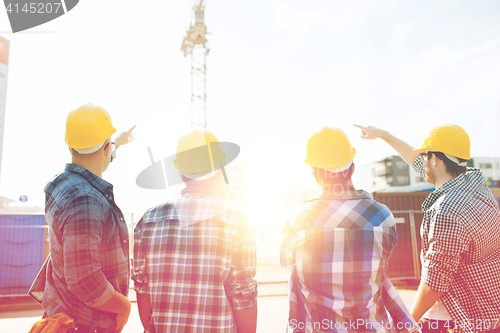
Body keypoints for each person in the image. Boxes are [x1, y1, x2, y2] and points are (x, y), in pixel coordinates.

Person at [354, 124, 500, 333]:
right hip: (490, 312)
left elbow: (435, 282)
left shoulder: (447, 211)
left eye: (424, 155)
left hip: (453, 320)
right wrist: (384, 135)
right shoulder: (476, 185)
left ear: (436, 160)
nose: (421, 161)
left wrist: (408, 322)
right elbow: (417, 163)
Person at [279, 127, 418, 333]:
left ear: (314, 172)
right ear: (352, 167)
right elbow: (381, 267)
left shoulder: (298, 219)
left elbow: (284, 261)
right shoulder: (384, 216)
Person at [132, 127, 258, 333]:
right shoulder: (238, 221)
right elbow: (243, 296)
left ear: (178, 170)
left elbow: (143, 292)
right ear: (221, 166)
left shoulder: (149, 220)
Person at [36, 104, 135, 333]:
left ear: (69, 144)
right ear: (105, 148)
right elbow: (84, 280)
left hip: (62, 314)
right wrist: (123, 307)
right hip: (85, 324)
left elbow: (94, 160)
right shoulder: (85, 201)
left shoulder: (60, 184)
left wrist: (118, 142)